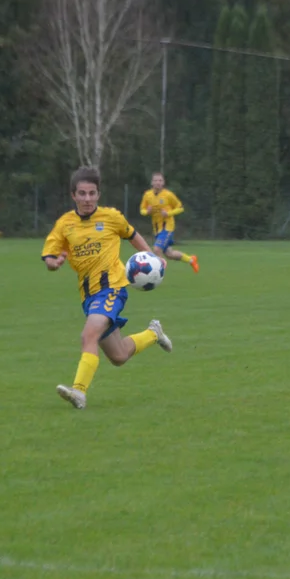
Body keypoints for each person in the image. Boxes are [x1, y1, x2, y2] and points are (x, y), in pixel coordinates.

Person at [44, 166, 173, 410]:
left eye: (92, 193)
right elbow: (49, 257)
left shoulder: (111, 217)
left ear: (98, 194)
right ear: (73, 195)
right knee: (119, 356)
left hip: (113, 288)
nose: (87, 199)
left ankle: (79, 392)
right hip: (88, 296)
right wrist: (55, 262)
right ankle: (154, 333)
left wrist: (151, 257)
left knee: (88, 335)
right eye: (82, 194)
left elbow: (132, 234)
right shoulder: (64, 224)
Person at [139, 172, 199, 273]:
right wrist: (147, 212)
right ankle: (191, 260)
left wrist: (168, 213)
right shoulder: (147, 195)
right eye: (156, 180)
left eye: (160, 180)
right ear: (152, 182)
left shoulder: (168, 195)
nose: (158, 182)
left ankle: (158, 274)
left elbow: (180, 208)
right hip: (157, 229)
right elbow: (142, 210)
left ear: (163, 183)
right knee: (169, 254)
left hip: (167, 227)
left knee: (157, 249)